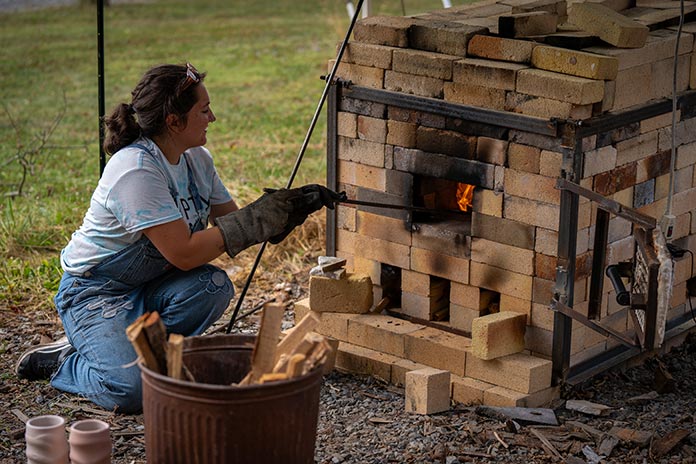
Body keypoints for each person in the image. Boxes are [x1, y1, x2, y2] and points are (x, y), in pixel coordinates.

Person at [15, 62, 340, 413]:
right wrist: (255, 221)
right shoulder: (135, 170)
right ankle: (71, 361)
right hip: (96, 292)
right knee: (135, 392)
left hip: (151, 283)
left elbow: (233, 222)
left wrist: (285, 212)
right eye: (203, 110)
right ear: (174, 121)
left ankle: (126, 350)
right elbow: (184, 254)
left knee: (213, 287)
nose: (212, 118)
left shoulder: (196, 159)